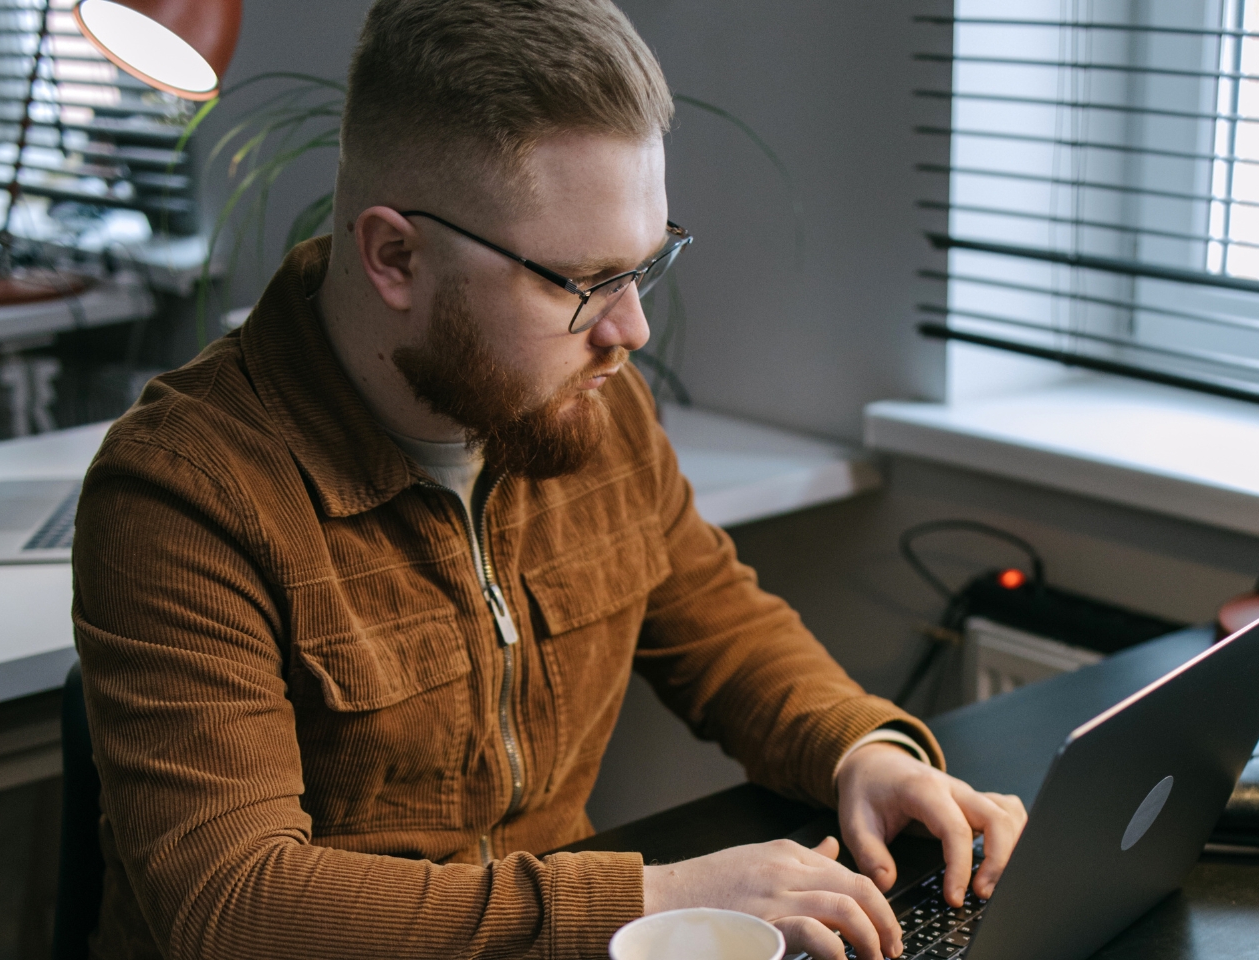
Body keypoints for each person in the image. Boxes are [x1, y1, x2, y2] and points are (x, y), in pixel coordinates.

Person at [72, 2, 1026, 958]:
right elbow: (234, 906)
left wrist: (863, 750)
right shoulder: (184, 492)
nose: (630, 332)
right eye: (581, 282)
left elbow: (720, 627)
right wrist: (651, 899)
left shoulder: (587, 405)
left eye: (645, 267)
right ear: (395, 256)